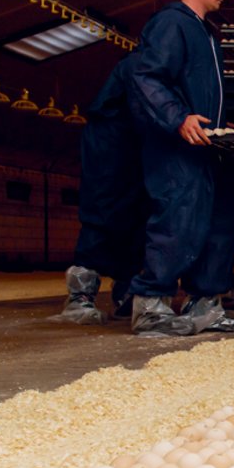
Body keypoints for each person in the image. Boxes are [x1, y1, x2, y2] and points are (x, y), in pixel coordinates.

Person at [124, 0, 234, 336]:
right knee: (176, 222)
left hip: (207, 147)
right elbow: (146, 78)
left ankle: (205, 304)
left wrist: (220, 124)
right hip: (176, 151)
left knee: (220, 222)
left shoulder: (206, 31)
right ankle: (151, 305)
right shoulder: (171, 24)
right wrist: (177, 117)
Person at [54, 52, 148, 325]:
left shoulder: (150, 64)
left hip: (132, 150)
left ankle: (125, 292)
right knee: (102, 215)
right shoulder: (138, 65)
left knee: (135, 217)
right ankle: (80, 297)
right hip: (110, 149)